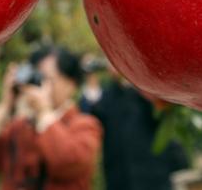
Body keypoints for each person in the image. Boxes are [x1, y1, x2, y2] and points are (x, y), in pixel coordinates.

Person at [0, 46, 102, 190]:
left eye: (46, 78)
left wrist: (44, 112)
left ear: (71, 84)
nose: (38, 85)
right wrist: (5, 105)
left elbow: (65, 161)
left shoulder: (86, 126)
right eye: (36, 78)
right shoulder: (20, 127)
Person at [81, 62, 189, 190]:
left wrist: (132, 77)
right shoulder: (106, 97)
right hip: (120, 180)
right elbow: (90, 118)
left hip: (154, 178)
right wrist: (91, 79)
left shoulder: (148, 91)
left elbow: (162, 112)